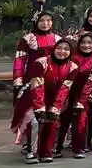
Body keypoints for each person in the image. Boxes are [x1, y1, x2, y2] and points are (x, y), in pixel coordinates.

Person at [10, 10, 59, 158]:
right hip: (31, 81)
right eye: (42, 20)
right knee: (30, 113)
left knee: (51, 112)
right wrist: (18, 81)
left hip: (52, 81)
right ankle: (29, 143)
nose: (45, 24)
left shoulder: (58, 39)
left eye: (49, 20)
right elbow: (20, 61)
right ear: (36, 22)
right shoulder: (27, 39)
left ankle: (48, 145)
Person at [56, 33, 92, 159]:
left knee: (80, 118)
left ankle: (79, 148)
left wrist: (81, 100)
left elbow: (91, 82)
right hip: (67, 92)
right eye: (83, 42)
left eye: (90, 43)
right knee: (62, 120)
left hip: (85, 94)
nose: (86, 45)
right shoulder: (73, 56)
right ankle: (57, 147)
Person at [30, 38, 79, 163]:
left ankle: (46, 151)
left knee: (53, 120)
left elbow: (65, 88)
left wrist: (55, 108)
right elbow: (37, 85)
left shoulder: (73, 67)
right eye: (59, 48)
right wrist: (39, 107)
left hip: (56, 98)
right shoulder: (41, 62)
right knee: (36, 121)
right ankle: (32, 152)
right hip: (33, 95)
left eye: (66, 49)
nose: (62, 51)